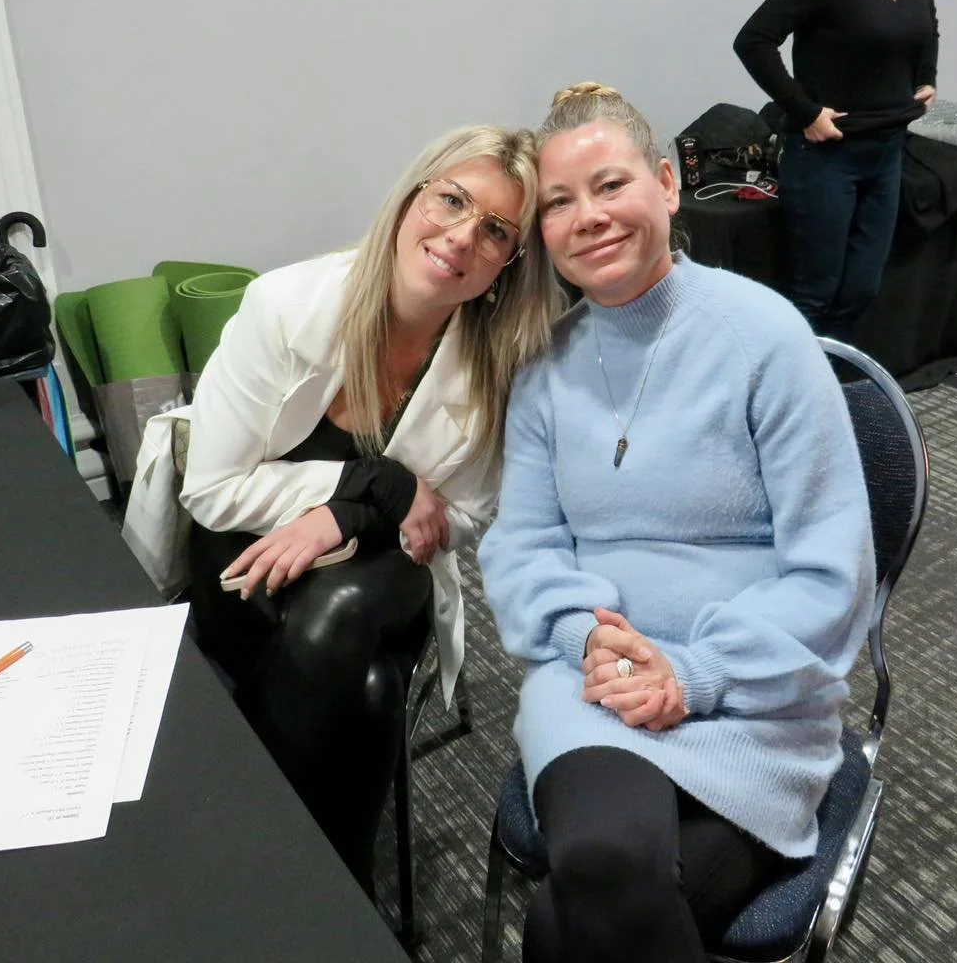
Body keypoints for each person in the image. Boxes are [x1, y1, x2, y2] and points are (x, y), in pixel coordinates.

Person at [477, 84, 875, 963]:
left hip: (756, 690)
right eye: (559, 202)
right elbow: (523, 544)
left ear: (666, 184)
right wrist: (587, 640)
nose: (589, 217)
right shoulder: (545, 369)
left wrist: (693, 674)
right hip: (597, 682)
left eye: (611, 185)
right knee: (608, 857)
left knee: (560, 927)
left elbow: (830, 573)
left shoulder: (764, 336)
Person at [127, 124, 562, 895]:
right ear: (408, 203)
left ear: (506, 265)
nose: (462, 237)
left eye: (496, 230)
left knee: (344, 608)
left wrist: (357, 511)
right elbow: (214, 488)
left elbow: (458, 518)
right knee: (370, 694)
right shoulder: (286, 305)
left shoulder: (500, 362)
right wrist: (382, 486)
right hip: (244, 549)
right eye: (451, 201)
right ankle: (340, 889)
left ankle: (264, 870)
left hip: (382, 572)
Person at [734, 0, 948, 341]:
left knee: (862, 288)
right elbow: (753, 40)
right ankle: (790, 400)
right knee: (816, 294)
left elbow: (927, 30)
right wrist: (806, 112)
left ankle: (828, 386)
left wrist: (926, 77)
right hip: (827, 157)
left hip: (888, 152)